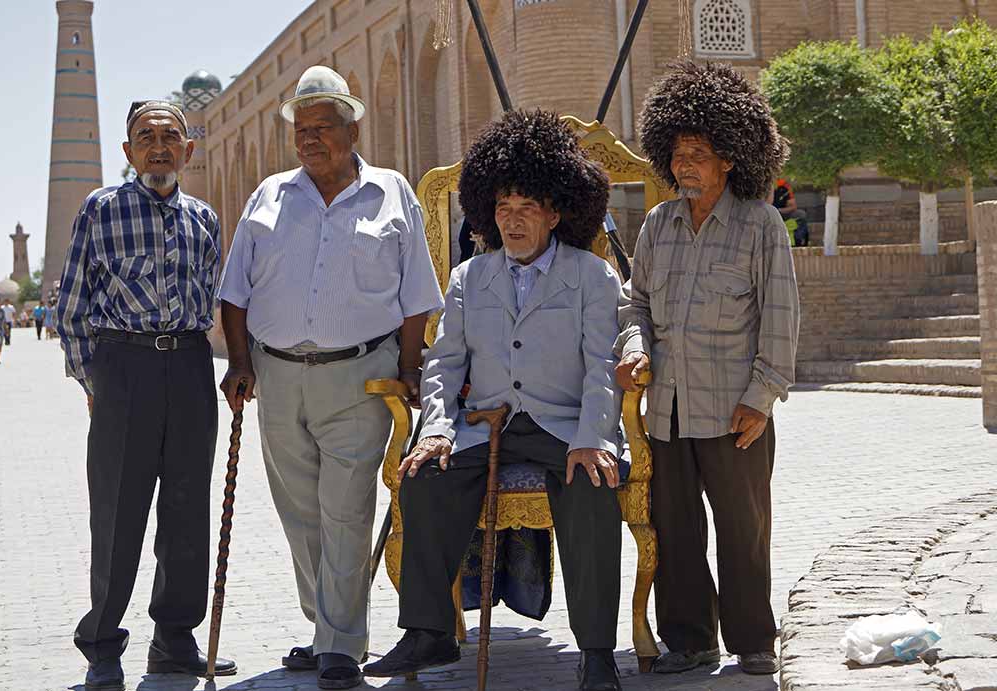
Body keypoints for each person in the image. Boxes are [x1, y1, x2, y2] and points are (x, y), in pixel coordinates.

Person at [364, 110, 625, 691]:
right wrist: (435, 428)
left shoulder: (592, 277)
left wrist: (593, 439)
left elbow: (603, 368)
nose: (513, 220)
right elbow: (445, 362)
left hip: (564, 426)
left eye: (527, 207)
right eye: (503, 208)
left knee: (593, 488)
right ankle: (429, 633)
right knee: (424, 478)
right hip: (486, 427)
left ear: (556, 213)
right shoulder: (468, 277)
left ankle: (598, 652)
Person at [216, 65, 444, 691]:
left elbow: (418, 297)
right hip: (279, 377)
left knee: (344, 509)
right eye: (301, 130)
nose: (310, 140)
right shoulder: (268, 197)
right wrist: (239, 362)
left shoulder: (392, 192)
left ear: (352, 127)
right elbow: (233, 292)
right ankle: (327, 630)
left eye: (322, 128)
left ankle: (341, 647)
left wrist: (406, 370)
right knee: (301, 514)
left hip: (360, 378)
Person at [615, 61, 800, 677]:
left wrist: (762, 395)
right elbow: (636, 302)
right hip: (665, 410)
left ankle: (752, 640)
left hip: (734, 412)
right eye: (677, 153)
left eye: (698, 153)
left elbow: (779, 317)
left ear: (729, 158)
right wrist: (635, 343)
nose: (684, 165)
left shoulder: (761, 225)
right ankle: (691, 641)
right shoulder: (658, 227)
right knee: (676, 531)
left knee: (743, 531)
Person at [57, 99, 235, 691]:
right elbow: (74, 306)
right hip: (123, 370)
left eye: (170, 136)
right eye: (144, 136)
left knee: (187, 511)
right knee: (117, 512)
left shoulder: (205, 219)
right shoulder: (100, 210)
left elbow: (210, 295)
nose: (158, 146)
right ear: (128, 151)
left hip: (187, 366)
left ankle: (174, 640)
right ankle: (103, 645)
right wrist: (96, 381)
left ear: (188, 150)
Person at [773, 178, 809, 247]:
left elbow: (793, 206)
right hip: (767, 214)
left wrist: (780, 210)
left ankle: (798, 242)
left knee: (801, 214)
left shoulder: (784, 185)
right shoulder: (764, 185)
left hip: (782, 212)